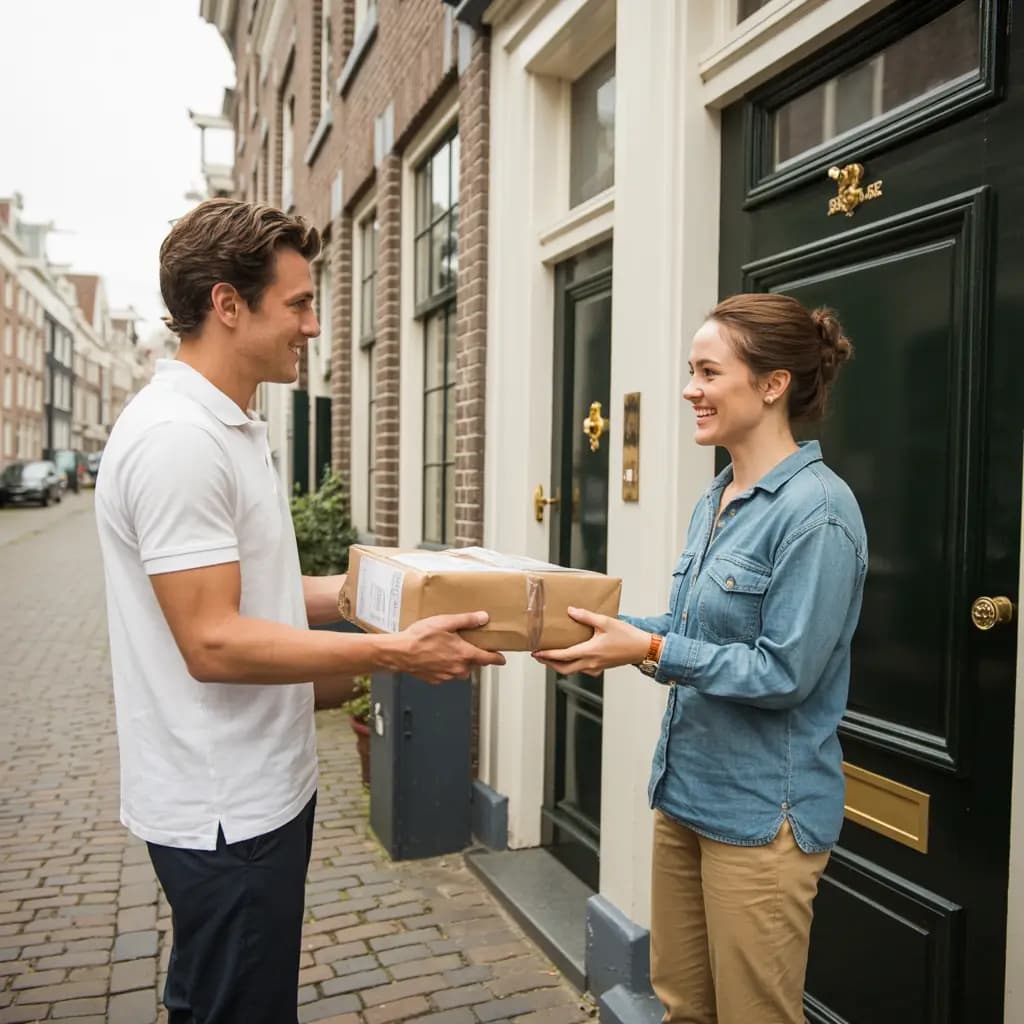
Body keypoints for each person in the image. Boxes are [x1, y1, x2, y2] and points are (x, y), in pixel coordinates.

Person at [94, 198, 504, 1024]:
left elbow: (266, 593)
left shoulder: (225, 426)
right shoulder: (180, 441)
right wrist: (394, 654)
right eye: (300, 304)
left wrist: (410, 586)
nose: (314, 326)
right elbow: (213, 641)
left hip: (253, 794)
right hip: (228, 807)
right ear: (228, 303)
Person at [534, 293, 867, 1024]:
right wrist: (606, 634)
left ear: (773, 384)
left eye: (709, 372)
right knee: (683, 1008)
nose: (690, 389)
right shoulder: (718, 495)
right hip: (684, 796)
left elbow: (783, 673)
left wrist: (650, 648)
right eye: (692, 371)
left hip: (762, 818)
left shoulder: (819, 512)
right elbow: (692, 632)